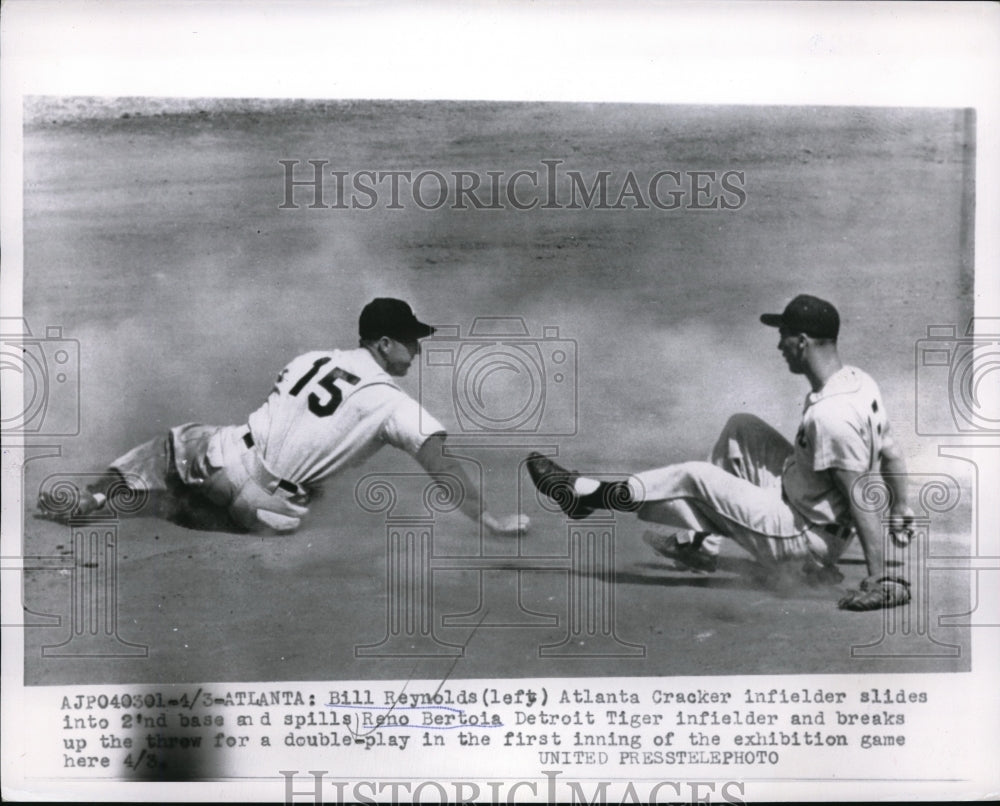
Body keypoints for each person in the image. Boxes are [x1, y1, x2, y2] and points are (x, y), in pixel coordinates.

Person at [527, 294, 914, 610]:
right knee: (740, 428)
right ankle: (700, 546)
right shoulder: (859, 382)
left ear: (802, 342)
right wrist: (902, 507)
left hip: (804, 536)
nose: (778, 345)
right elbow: (891, 453)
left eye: (783, 336)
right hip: (806, 504)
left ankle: (585, 494)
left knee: (695, 478)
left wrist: (880, 578)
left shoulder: (831, 417)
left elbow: (860, 496)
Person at [38, 298, 528, 537]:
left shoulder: (308, 359)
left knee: (178, 443)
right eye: (410, 339)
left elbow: (290, 419)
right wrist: (489, 518)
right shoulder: (394, 403)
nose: (418, 348)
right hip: (270, 514)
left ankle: (95, 495)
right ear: (383, 343)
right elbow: (441, 465)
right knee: (215, 501)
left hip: (228, 462)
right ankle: (145, 503)